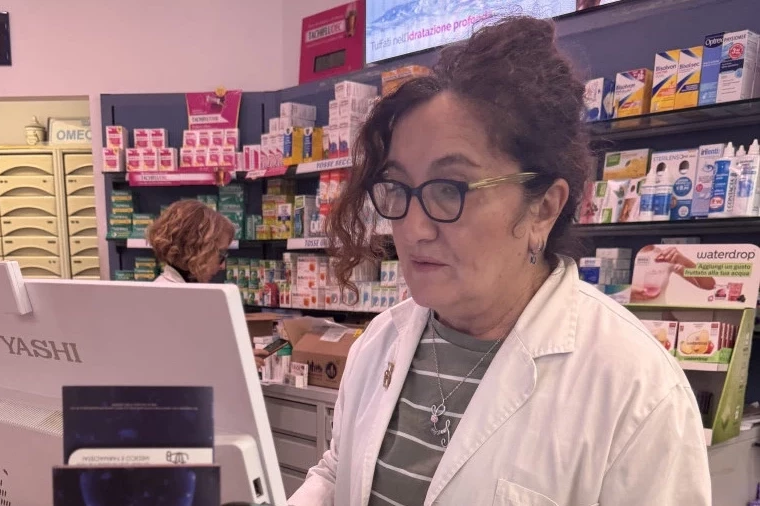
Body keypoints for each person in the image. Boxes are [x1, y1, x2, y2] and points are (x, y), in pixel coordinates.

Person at [288, 16, 710, 506]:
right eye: (399, 188)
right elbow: (339, 470)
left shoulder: (637, 389)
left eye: (450, 190)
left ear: (544, 208)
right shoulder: (380, 343)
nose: (415, 228)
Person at [146, 199, 270, 368]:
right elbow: (178, 367)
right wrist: (233, 364)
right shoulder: (170, 298)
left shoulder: (182, 292)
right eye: (221, 254)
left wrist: (236, 359)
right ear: (197, 248)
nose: (222, 265)